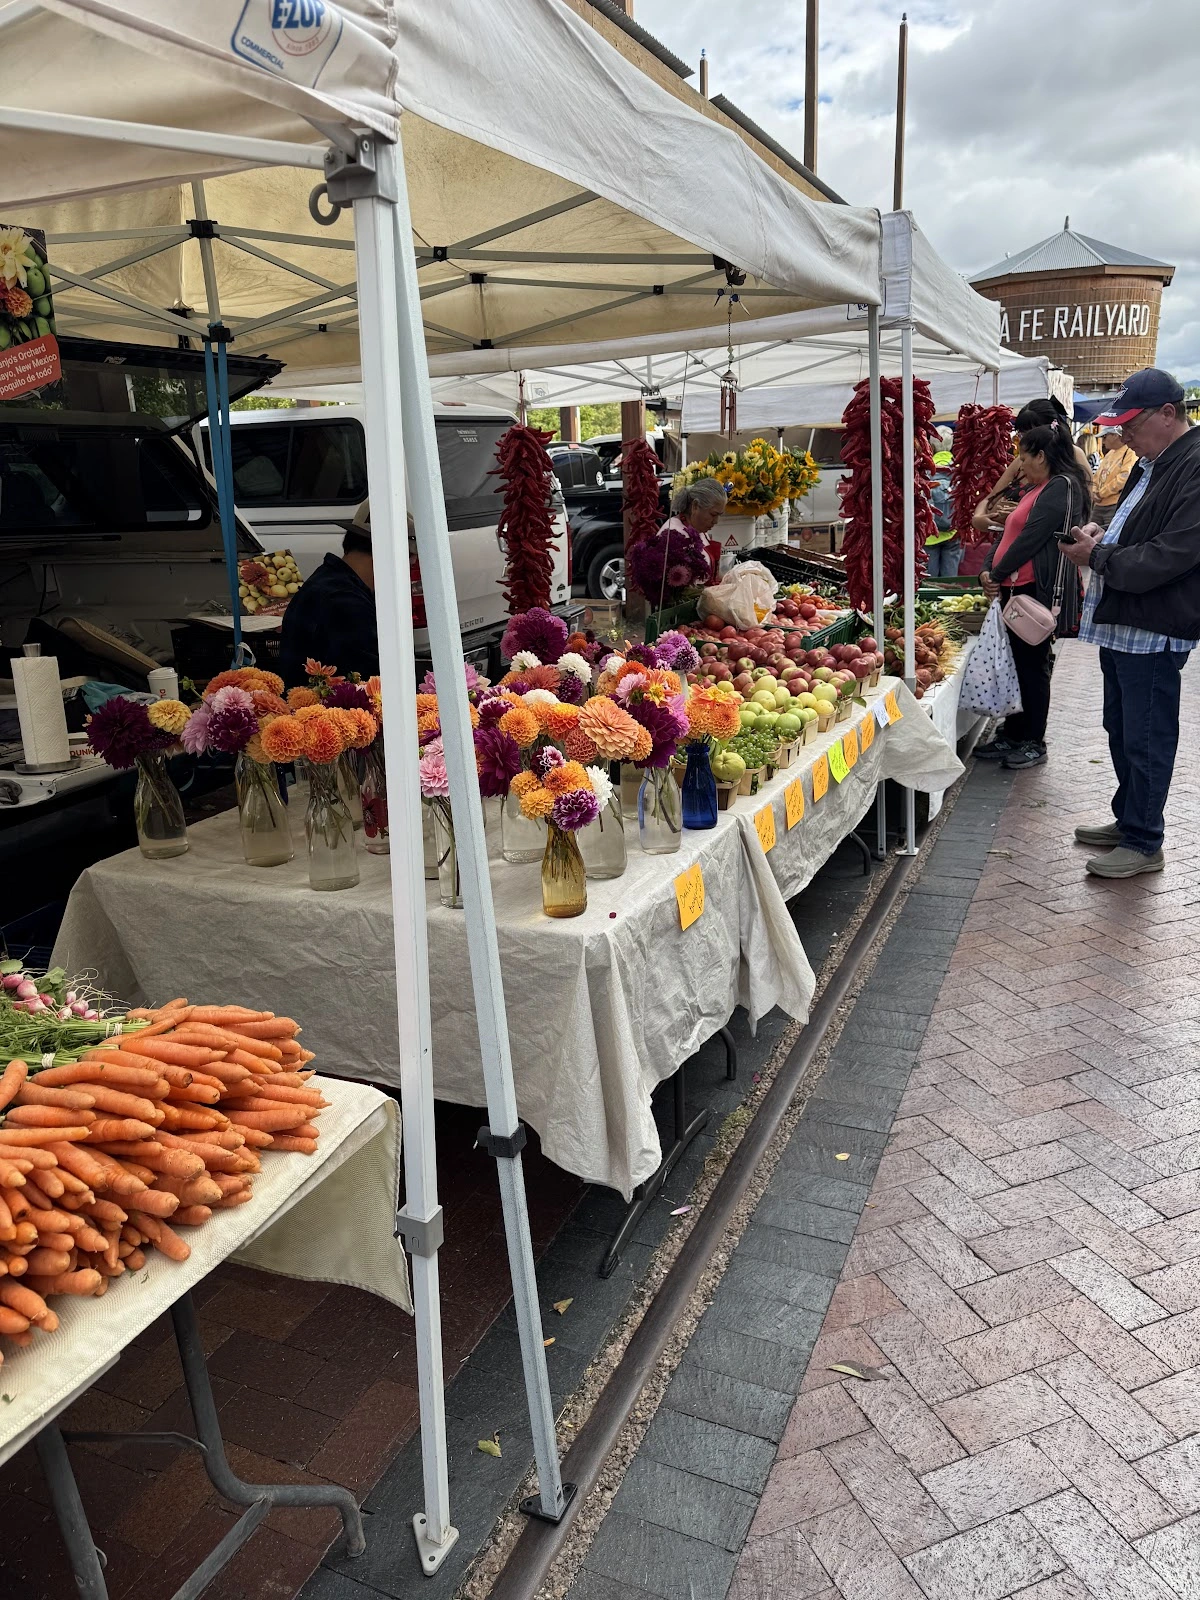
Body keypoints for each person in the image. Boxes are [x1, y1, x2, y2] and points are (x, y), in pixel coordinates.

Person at [1058, 368, 1199, 879]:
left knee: (1145, 732)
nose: (1125, 436)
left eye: (1132, 425)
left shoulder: (1193, 465)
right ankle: (1130, 818)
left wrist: (1098, 557)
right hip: (1125, 620)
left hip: (1155, 625)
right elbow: (1137, 525)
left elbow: (1171, 554)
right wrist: (1102, 532)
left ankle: (1144, 841)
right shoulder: (1154, 463)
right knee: (1120, 727)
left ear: (1168, 414)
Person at [976, 419, 1090, 770]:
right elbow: (1007, 532)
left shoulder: (1062, 487)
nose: (1019, 466)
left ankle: (1033, 741)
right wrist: (988, 570)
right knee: (1016, 665)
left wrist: (995, 572)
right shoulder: (1035, 489)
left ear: (1041, 456)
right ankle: (1012, 732)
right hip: (1013, 588)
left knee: (1032, 666)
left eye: (1024, 458)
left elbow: (1031, 539)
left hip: (1032, 590)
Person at [278, 502, 379, 686]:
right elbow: (369, 681)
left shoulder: (327, 579)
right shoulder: (346, 602)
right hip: (324, 710)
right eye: (410, 562)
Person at [971, 396, 1091, 539]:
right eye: (1022, 434)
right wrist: (979, 518)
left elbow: (1080, 510)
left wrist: (1024, 514)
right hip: (1012, 542)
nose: (1025, 439)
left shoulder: (1073, 455)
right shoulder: (1021, 462)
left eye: (1029, 433)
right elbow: (989, 500)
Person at [668, 476, 728, 580]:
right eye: (713, 514)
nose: (716, 521)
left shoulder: (699, 530)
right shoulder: (674, 534)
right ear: (695, 506)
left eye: (719, 515)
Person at [1091, 429, 1138, 529]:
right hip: (1099, 504)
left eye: (1105, 437)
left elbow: (1124, 477)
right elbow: (1097, 475)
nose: (1103, 441)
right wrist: (1094, 491)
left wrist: (1101, 493)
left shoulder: (1129, 452)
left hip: (1114, 504)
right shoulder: (1109, 453)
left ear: (1115, 435)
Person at [926, 469, 961, 577]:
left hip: (929, 536)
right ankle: (949, 593)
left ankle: (930, 592)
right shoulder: (959, 469)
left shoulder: (925, 470)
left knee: (929, 580)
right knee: (949, 578)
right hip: (952, 533)